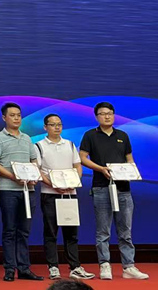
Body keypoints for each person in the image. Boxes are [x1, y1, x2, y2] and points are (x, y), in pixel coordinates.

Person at [78, 102, 149, 281]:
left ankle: (129, 266)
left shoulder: (122, 136)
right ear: (97, 117)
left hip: (123, 188)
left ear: (114, 115)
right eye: (102, 114)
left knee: (125, 230)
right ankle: (104, 264)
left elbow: (129, 159)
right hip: (101, 187)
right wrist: (101, 168)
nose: (107, 116)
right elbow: (82, 158)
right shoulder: (90, 135)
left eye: (110, 113)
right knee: (103, 231)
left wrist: (132, 171)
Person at [35, 113, 95, 282]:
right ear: (45, 127)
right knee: (51, 232)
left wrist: (74, 181)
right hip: (49, 194)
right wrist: (53, 184)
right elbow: (37, 169)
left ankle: (75, 267)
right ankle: (53, 267)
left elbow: (77, 166)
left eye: (59, 124)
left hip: (70, 193)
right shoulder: (38, 146)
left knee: (71, 233)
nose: (57, 127)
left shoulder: (69, 144)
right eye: (53, 124)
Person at [0, 102, 44, 283]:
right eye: (12, 115)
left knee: (24, 231)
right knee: (10, 230)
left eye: (18, 115)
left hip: (28, 190)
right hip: (8, 190)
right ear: (4, 118)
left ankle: (24, 268)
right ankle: (9, 269)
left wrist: (33, 175)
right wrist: (13, 176)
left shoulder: (27, 138)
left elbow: (34, 160)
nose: (16, 118)